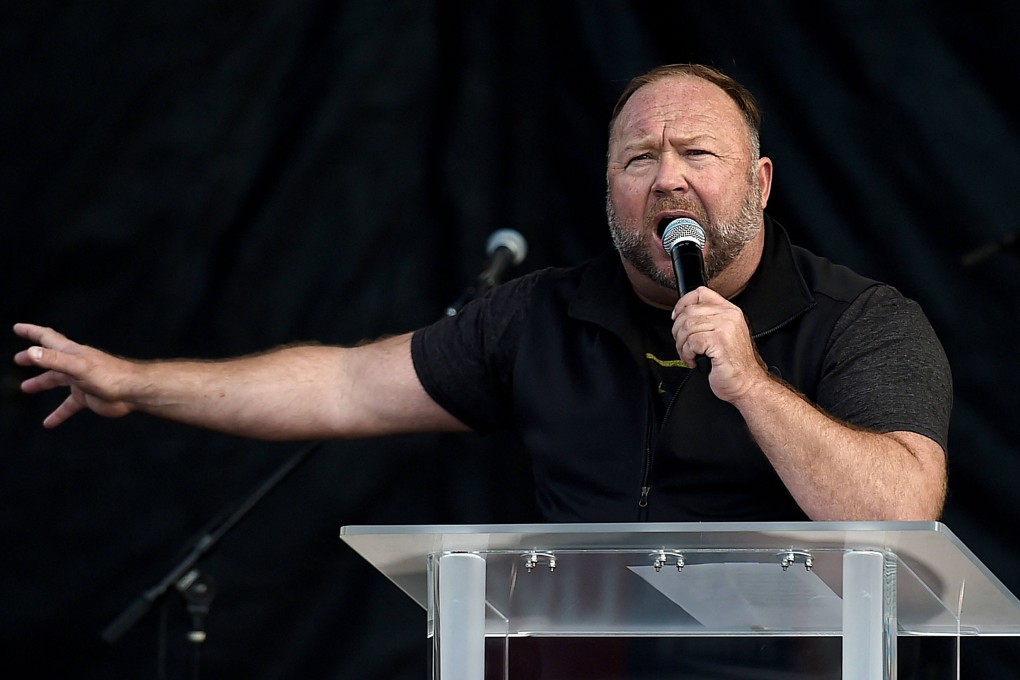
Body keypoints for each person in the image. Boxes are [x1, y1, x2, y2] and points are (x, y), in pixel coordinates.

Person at [14, 63, 952, 677]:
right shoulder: (538, 314)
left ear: (759, 182)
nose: (667, 177)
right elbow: (342, 387)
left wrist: (750, 382)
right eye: (639, 158)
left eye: (697, 153)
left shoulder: (862, 322)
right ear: (612, 191)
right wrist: (137, 382)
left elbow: (901, 510)